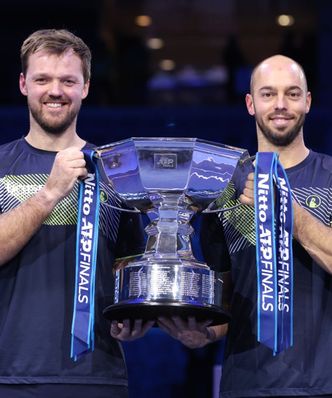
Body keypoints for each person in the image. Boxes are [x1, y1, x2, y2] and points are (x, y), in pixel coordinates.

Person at [158, 54, 332, 397]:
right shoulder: (224, 189)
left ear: (308, 102)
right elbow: (225, 296)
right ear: (250, 104)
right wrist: (205, 332)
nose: (280, 105)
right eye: (268, 94)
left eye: (292, 94)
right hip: (247, 385)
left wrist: (289, 212)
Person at [0, 28, 153, 398]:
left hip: (97, 376)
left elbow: (131, 267)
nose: (55, 91)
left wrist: (136, 315)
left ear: (85, 87)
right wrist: (50, 192)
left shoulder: (118, 172)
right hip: (10, 374)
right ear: (23, 84)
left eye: (68, 80)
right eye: (42, 79)